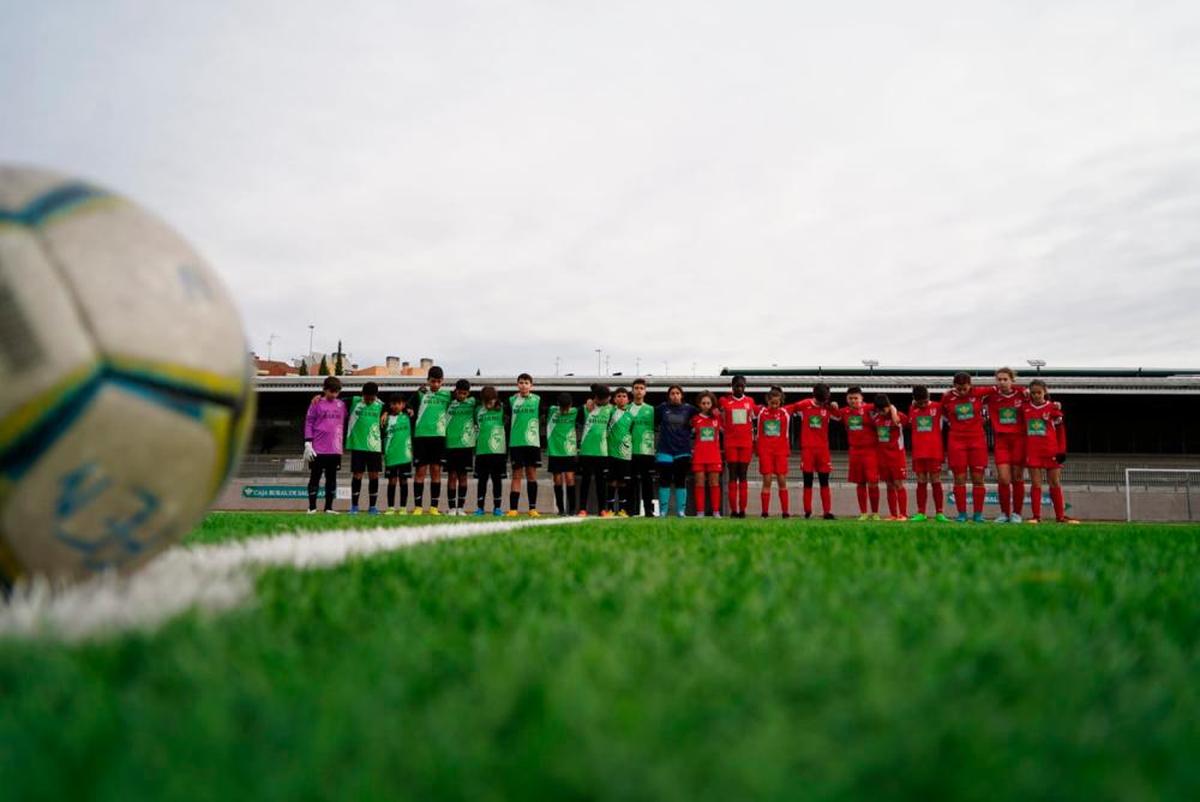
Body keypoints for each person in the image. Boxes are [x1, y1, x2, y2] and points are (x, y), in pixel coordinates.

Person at [940, 371, 996, 523]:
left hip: (977, 440)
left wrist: (1023, 391)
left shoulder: (978, 393)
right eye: (959, 388)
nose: (962, 391)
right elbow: (943, 412)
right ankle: (962, 514)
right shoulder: (947, 397)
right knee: (959, 479)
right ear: (954, 386)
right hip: (956, 441)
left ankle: (978, 514)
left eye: (965, 388)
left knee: (978, 479)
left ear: (970, 385)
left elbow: (1000, 388)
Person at [1022, 379, 1076, 524]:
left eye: (1039, 392)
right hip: (1033, 451)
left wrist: (1062, 450)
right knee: (1036, 484)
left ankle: (1060, 516)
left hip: (1051, 451)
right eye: (1033, 393)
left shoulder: (1053, 408)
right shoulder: (1025, 407)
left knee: (1054, 482)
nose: (1036, 395)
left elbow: (1060, 430)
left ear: (1045, 392)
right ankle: (1036, 516)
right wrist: (1025, 395)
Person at [790, 383, 838, 519]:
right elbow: (789, 410)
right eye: (821, 399)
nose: (823, 402)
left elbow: (840, 416)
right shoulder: (804, 405)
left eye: (826, 399)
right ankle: (807, 511)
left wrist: (835, 406)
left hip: (823, 450)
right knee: (808, 480)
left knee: (824, 481)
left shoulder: (828, 407)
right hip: (808, 449)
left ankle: (827, 512)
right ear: (815, 395)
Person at [832, 386, 879, 520]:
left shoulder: (871, 408)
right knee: (860, 482)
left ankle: (875, 513)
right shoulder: (844, 412)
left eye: (856, 398)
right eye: (850, 398)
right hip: (855, 451)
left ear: (861, 398)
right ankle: (863, 512)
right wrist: (832, 406)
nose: (853, 401)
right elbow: (831, 413)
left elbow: (886, 410)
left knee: (873, 482)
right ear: (847, 399)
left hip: (871, 450)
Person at [988, 367, 1028, 524]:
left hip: (1019, 440)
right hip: (1001, 441)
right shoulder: (992, 397)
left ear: (1012, 380)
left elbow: (1041, 397)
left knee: (1017, 478)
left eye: (1005, 379)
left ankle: (1017, 513)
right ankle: (1004, 513)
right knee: (1004, 479)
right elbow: (972, 396)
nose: (1002, 382)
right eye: (999, 379)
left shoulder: (1022, 394)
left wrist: (1055, 403)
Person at [411, 366, 452, 515]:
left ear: (443, 382)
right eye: (433, 381)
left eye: (438, 382)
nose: (435, 384)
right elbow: (403, 405)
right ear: (428, 381)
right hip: (421, 437)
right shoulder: (420, 394)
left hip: (439, 437)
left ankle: (434, 507)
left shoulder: (448, 396)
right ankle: (418, 507)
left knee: (436, 471)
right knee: (420, 472)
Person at [304, 376, 345, 514]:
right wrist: (308, 442)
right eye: (331, 391)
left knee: (331, 479)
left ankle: (328, 508)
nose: (334, 394)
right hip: (318, 449)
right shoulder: (316, 403)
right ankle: (311, 507)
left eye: (336, 392)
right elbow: (309, 422)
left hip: (335, 449)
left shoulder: (341, 404)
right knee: (315, 477)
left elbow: (360, 401)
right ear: (324, 390)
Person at [907, 385, 948, 522]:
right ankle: (921, 512)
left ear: (929, 397)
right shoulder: (912, 408)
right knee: (921, 481)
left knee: (936, 480)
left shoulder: (938, 406)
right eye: (920, 402)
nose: (923, 404)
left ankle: (939, 513)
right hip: (918, 451)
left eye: (925, 401)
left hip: (934, 451)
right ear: (914, 400)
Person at [655, 385, 697, 517]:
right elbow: (650, 419)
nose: (675, 395)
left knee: (680, 480)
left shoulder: (689, 409)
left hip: (683, 451)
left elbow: (703, 415)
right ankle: (663, 511)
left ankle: (681, 511)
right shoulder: (662, 408)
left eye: (677, 393)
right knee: (664, 480)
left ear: (681, 395)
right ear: (669, 396)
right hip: (664, 451)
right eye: (672, 393)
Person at [718, 375, 757, 518]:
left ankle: (742, 510)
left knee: (743, 475)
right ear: (732, 386)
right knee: (733, 475)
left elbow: (754, 418)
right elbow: (718, 414)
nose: (739, 388)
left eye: (742, 386)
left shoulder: (750, 401)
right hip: (730, 443)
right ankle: (734, 510)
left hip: (746, 443)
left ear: (745, 386)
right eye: (736, 386)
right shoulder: (724, 401)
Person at [345, 381, 384, 515]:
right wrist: (319, 397)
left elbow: (397, 406)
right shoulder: (354, 401)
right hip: (358, 446)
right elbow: (336, 399)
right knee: (357, 475)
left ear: (376, 396)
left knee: (374, 476)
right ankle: (354, 506)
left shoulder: (380, 405)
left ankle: (372, 507)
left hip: (374, 447)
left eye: (372, 398)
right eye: (367, 398)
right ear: (363, 394)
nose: (369, 400)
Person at [506, 373, 542, 517]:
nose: (523, 385)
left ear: (531, 385)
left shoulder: (537, 399)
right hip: (516, 443)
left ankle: (532, 508)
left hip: (532, 443)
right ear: (517, 385)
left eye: (526, 383)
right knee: (516, 476)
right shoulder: (512, 400)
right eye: (521, 382)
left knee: (532, 475)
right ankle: (513, 509)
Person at [576, 385, 614, 516]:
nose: (602, 401)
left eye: (605, 398)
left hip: (602, 452)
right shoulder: (585, 408)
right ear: (595, 397)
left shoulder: (611, 409)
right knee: (585, 481)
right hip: (586, 451)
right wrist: (588, 401)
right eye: (600, 398)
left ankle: (602, 509)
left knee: (601, 483)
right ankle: (582, 508)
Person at [755, 387, 792, 517]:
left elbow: (802, 405)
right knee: (767, 480)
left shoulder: (785, 413)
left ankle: (785, 512)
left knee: (782, 480)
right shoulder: (762, 413)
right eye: (772, 403)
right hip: (766, 452)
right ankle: (765, 512)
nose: (775, 405)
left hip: (780, 451)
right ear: (767, 401)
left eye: (777, 403)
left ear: (781, 401)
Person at [870, 394, 909, 520]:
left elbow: (898, 421)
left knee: (898, 484)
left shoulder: (899, 416)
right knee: (889, 485)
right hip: (883, 456)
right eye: (879, 410)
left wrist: (892, 410)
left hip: (896, 456)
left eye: (884, 409)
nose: (881, 412)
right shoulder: (876, 419)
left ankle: (903, 514)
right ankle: (893, 514)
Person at [443, 379, 478, 516]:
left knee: (463, 477)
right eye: (460, 393)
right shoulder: (448, 402)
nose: (462, 396)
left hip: (466, 445)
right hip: (450, 445)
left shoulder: (473, 402)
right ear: (455, 391)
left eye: (465, 393)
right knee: (452, 476)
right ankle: (452, 508)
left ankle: (461, 508)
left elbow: (489, 401)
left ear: (468, 393)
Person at [473, 386, 507, 516]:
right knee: (482, 480)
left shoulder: (502, 409)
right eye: (486, 402)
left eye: (492, 401)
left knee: (497, 480)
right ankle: (480, 508)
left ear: (496, 399)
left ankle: (497, 508)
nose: (489, 404)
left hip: (498, 451)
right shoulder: (477, 410)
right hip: (481, 451)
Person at [546, 392, 580, 516]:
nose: (564, 411)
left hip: (569, 450)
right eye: (562, 408)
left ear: (570, 405)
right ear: (558, 405)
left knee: (570, 479)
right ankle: (560, 509)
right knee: (558, 480)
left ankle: (572, 509)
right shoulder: (552, 411)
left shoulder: (575, 411)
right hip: (555, 451)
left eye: (567, 408)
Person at [691, 391, 724, 517]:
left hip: (714, 455)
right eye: (703, 403)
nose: (706, 405)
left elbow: (727, 430)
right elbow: (690, 434)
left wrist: (721, 415)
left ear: (712, 404)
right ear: (699, 404)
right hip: (699, 455)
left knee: (714, 483)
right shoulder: (695, 419)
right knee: (699, 483)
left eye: (708, 403)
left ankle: (716, 511)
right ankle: (700, 512)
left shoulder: (717, 418)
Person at [628, 378, 658, 516]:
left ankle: (648, 510)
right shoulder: (626, 408)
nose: (639, 390)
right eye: (636, 388)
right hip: (630, 451)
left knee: (647, 481)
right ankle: (631, 510)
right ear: (632, 391)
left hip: (647, 451)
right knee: (632, 481)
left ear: (645, 391)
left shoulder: (651, 409)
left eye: (641, 388)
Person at [605, 387, 635, 517]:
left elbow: (631, 432)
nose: (621, 398)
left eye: (624, 396)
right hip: (611, 453)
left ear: (628, 400)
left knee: (623, 482)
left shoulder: (631, 415)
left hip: (625, 454)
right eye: (618, 396)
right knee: (612, 481)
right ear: (614, 399)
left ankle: (622, 509)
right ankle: (610, 509)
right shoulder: (610, 411)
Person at [382, 394, 414, 514]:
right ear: (390, 405)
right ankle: (390, 507)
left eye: (399, 403)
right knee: (392, 482)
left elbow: (413, 400)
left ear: (403, 405)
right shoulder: (385, 418)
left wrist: (408, 407)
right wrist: (385, 411)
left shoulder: (408, 416)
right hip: (390, 455)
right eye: (393, 404)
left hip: (405, 456)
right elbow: (382, 406)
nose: (396, 406)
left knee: (404, 482)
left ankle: (403, 508)